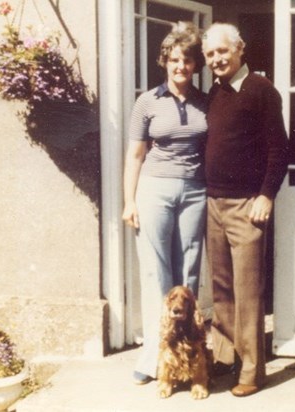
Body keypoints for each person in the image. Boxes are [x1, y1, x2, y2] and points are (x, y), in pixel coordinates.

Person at [202, 23, 289, 397]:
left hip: (246, 206)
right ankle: (226, 360)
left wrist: (266, 195)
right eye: (209, 55)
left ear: (240, 49)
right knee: (222, 291)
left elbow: (279, 149)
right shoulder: (215, 93)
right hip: (214, 202)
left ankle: (252, 370)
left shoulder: (260, 90)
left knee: (248, 291)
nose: (216, 60)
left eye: (222, 51)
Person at [122, 21, 207, 385]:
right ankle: (154, 356)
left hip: (195, 191)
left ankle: (191, 353)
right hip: (154, 188)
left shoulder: (207, 102)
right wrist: (129, 201)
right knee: (157, 272)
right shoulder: (147, 101)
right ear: (165, 61)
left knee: (188, 271)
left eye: (187, 60)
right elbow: (135, 156)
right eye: (174, 59)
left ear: (195, 64)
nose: (180, 67)